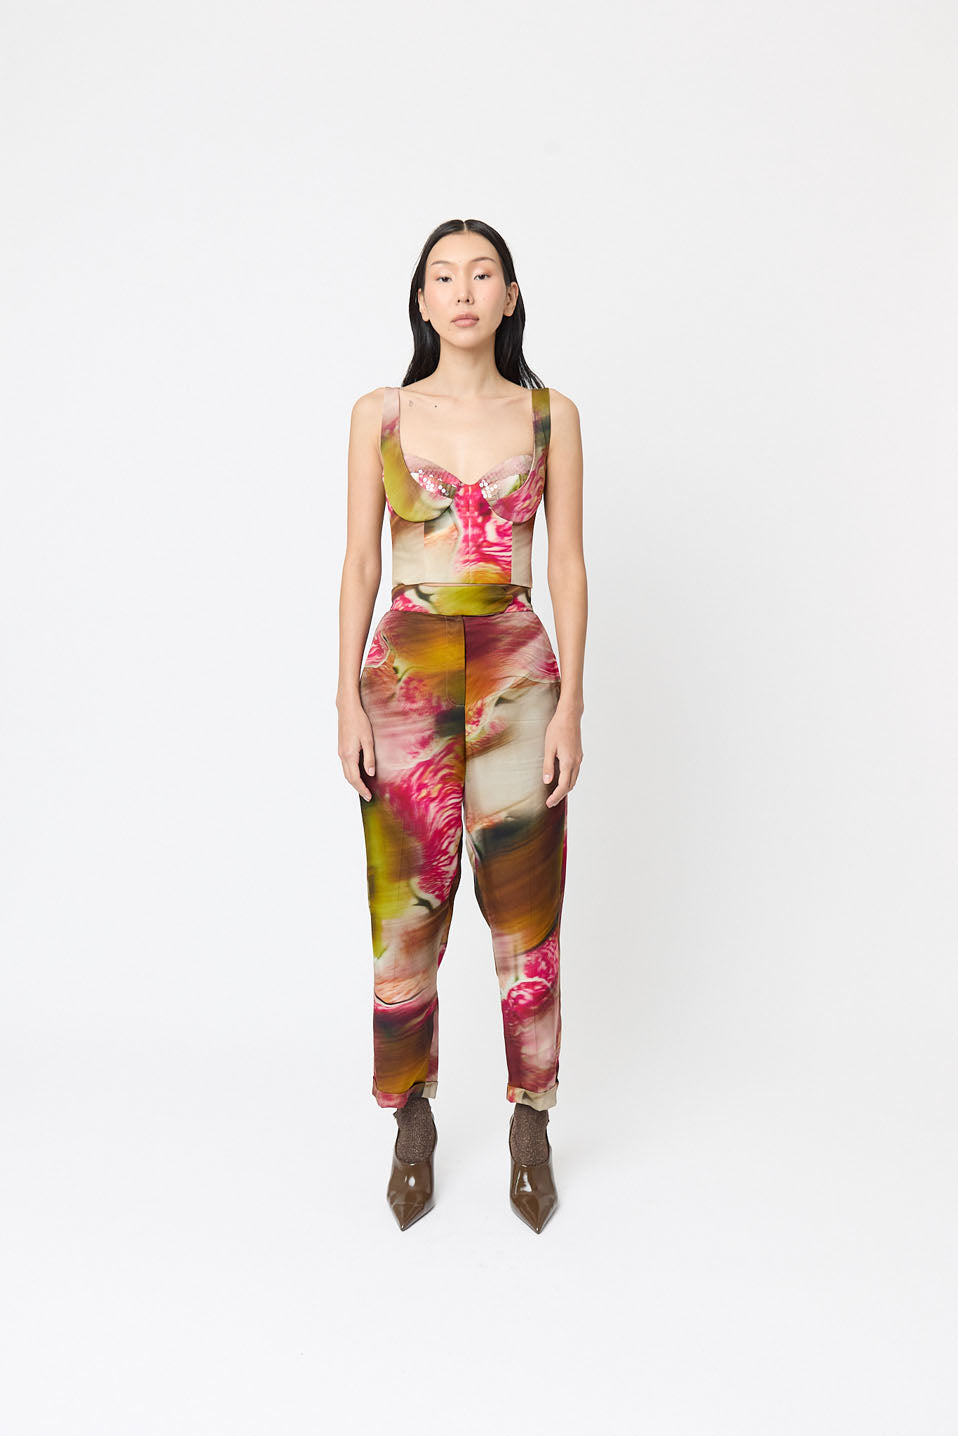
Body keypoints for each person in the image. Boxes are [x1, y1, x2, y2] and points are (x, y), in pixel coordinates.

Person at [336, 219, 587, 1233]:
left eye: (483, 274)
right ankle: (411, 1119)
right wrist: (343, 697)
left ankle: (531, 1120)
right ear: (422, 299)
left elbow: (565, 562)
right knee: (405, 906)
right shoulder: (381, 413)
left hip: (518, 669)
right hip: (404, 666)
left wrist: (573, 704)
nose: (464, 291)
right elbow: (360, 561)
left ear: (510, 295)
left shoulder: (551, 415)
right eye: (444, 276)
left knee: (526, 906)